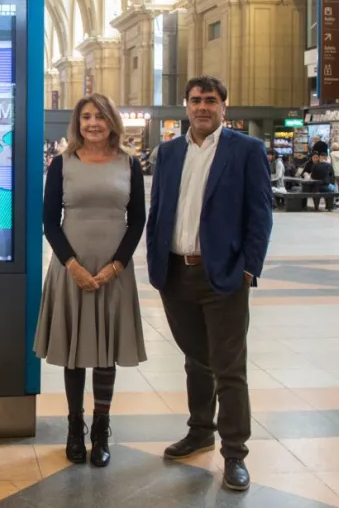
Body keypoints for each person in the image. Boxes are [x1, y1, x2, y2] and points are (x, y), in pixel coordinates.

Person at [145, 76, 273, 493]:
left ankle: (235, 453)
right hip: (176, 275)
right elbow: (159, 209)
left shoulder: (246, 150)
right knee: (195, 360)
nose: (203, 106)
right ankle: (200, 430)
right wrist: (155, 263)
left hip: (224, 276)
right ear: (185, 106)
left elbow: (260, 215)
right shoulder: (168, 153)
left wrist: (248, 270)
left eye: (211, 100)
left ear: (224, 106)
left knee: (229, 366)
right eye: (196, 100)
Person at [34, 93, 146, 468]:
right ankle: (73, 426)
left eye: (99, 116)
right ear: (77, 124)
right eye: (86, 117)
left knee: (105, 352)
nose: (93, 123)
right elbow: (50, 220)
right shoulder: (61, 164)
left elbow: (138, 220)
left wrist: (117, 266)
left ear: (112, 121)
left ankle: (101, 427)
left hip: (113, 269)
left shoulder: (129, 164)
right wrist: (73, 265)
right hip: (72, 267)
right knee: (74, 350)